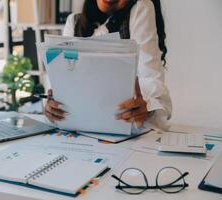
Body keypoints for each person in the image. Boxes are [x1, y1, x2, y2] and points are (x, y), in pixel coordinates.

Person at [44, 0, 172, 131]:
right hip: (80, 130)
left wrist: (147, 108)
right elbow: (61, 80)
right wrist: (51, 106)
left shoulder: (139, 10)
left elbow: (151, 79)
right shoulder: (74, 21)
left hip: (124, 130)